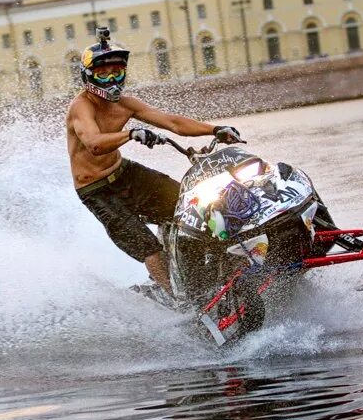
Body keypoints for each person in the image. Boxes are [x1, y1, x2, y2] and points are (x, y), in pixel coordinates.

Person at [66, 27, 240, 297]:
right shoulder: (82, 108)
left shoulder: (125, 103)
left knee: (191, 207)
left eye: (117, 72)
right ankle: (181, 300)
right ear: (88, 76)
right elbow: (94, 143)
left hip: (125, 174)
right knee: (149, 248)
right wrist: (131, 133)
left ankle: (214, 270)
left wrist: (215, 129)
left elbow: (172, 122)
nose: (112, 79)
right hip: (97, 191)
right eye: (103, 74)